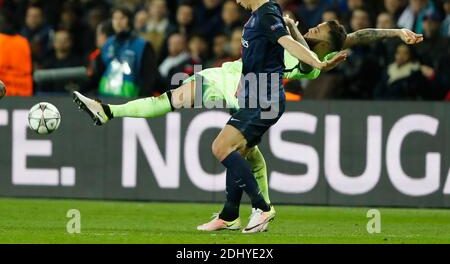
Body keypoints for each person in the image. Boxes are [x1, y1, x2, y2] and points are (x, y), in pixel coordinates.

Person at [73, 16, 422, 230]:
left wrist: (290, 28)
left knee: (230, 147)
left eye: (319, 28)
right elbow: (362, 34)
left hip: (250, 94)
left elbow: (311, 55)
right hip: (229, 76)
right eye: (314, 25)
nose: (313, 26)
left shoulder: (311, 63)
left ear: (328, 43)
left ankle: (255, 210)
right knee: (236, 146)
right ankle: (242, 213)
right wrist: (396, 31)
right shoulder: (309, 44)